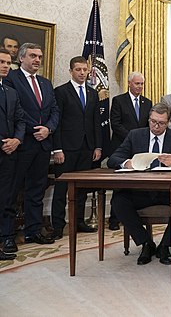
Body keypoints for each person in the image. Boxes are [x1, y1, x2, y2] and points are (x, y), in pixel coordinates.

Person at [107, 103, 171, 265]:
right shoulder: (135, 135)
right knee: (118, 200)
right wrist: (127, 163)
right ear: (149, 119)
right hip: (141, 193)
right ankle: (146, 243)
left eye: (161, 123)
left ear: (168, 122)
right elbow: (113, 159)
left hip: (167, 193)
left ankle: (165, 245)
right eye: (153, 122)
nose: (156, 126)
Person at [2, 43, 59, 251]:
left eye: (40, 56)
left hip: (43, 144)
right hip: (22, 144)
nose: (37, 60)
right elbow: (15, 112)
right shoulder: (11, 79)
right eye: (33, 56)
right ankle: (7, 234)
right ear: (21, 58)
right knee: (12, 191)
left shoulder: (45, 83)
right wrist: (35, 128)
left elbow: (54, 110)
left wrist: (48, 129)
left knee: (36, 191)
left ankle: (33, 231)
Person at [50, 56, 103, 239]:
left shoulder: (93, 93)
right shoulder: (61, 92)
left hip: (87, 148)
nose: (82, 73)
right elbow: (56, 123)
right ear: (71, 71)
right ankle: (57, 226)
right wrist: (57, 149)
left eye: (84, 69)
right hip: (66, 149)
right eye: (78, 69)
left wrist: (98, 146)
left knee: (82, 189)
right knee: (61, 189)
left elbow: (96, 122)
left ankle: (78, 221)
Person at [108, 72, 151, 230]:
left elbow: (148, 125)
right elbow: (116, 124)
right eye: (137, 83)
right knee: (119, 184)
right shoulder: (119, 100)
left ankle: (135, 216)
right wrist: (133, 138)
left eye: (141, 84)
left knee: (138, 182)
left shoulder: (147, 102)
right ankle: (114, 219)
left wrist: (140, 140)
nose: (139, 87)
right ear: (129, 84)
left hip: (140, 150)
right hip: (123, 147)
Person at [0, 49, 25, 260]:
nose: (5, 66)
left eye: (8, 63)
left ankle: (6, 236)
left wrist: (17, 140)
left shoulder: (10, 92)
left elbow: (20, 120)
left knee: (7, 197)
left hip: (10, 153)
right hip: (2, 147)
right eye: (1, 62)